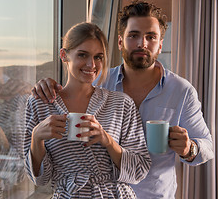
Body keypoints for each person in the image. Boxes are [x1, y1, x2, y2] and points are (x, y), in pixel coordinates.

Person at [31, 1, 215, 198]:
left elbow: (207, 147)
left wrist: (189, 148)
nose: (141, 44)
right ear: (120, 42)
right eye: (133, 35)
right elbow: (73, 87)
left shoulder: (181, 91)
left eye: (151, 37)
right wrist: (47, 86)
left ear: (160, 45)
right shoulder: (99, 80)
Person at [24, 22, 151, 198]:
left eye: (99, 57)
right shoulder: (40, 103)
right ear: (64, 55)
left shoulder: (122, 104)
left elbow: (139, 170)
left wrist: (107, 140)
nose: (91, 64)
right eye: (83, 55)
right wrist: (36, 138)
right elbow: (40, 179)